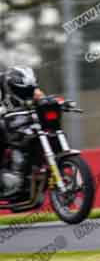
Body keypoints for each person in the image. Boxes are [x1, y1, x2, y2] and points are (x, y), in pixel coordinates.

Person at [0, 66, 44, 194]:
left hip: (22, 124)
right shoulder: (2, 85)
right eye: (20, 91)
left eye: (28, 90)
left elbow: (42, 98)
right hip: (7, 123)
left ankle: (26, 172)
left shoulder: (32, 89)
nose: (26, 94)